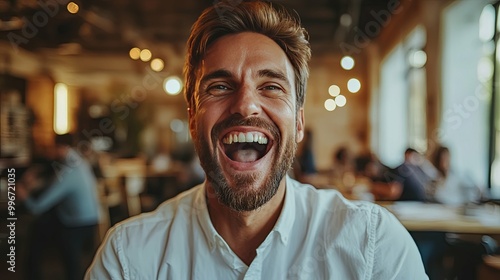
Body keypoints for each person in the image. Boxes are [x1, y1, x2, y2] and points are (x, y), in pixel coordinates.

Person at [85, 1, 427, 279]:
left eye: (271, 87)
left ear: (299, 121)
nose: (246, 104)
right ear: (192, 118)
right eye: (219, 86)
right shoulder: (128, 258)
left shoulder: (373, 246)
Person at [18, 133, 100, 280]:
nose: (49, 152)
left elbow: (37, 207)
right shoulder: (78, 160)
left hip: (76, 224)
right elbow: (56, 184)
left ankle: (33, 274)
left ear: (60, 148)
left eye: (51, 148)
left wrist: (24, 195)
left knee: (37, 229)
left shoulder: (67, 172)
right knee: (42, 227)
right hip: (92, 218)